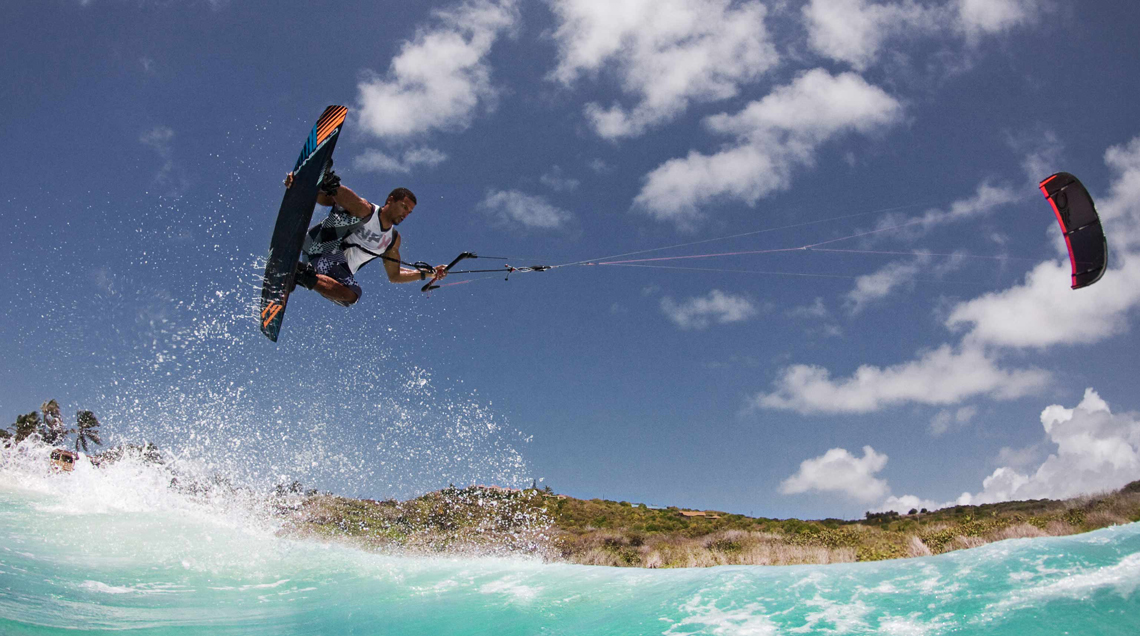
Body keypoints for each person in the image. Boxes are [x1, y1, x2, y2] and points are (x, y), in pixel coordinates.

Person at [283, 163, 447, 306]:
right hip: (318, 244)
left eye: (409, 212)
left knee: (352, 295)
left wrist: (429, 273)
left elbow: (395, 275)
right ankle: (326, 182)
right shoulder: (367, 210)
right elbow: (329, 201)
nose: (406, 214)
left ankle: (300, 275)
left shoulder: (392, 241)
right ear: (390, 200)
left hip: (327, 269)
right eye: (404, 207)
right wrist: (304, 184)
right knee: (360, 210)